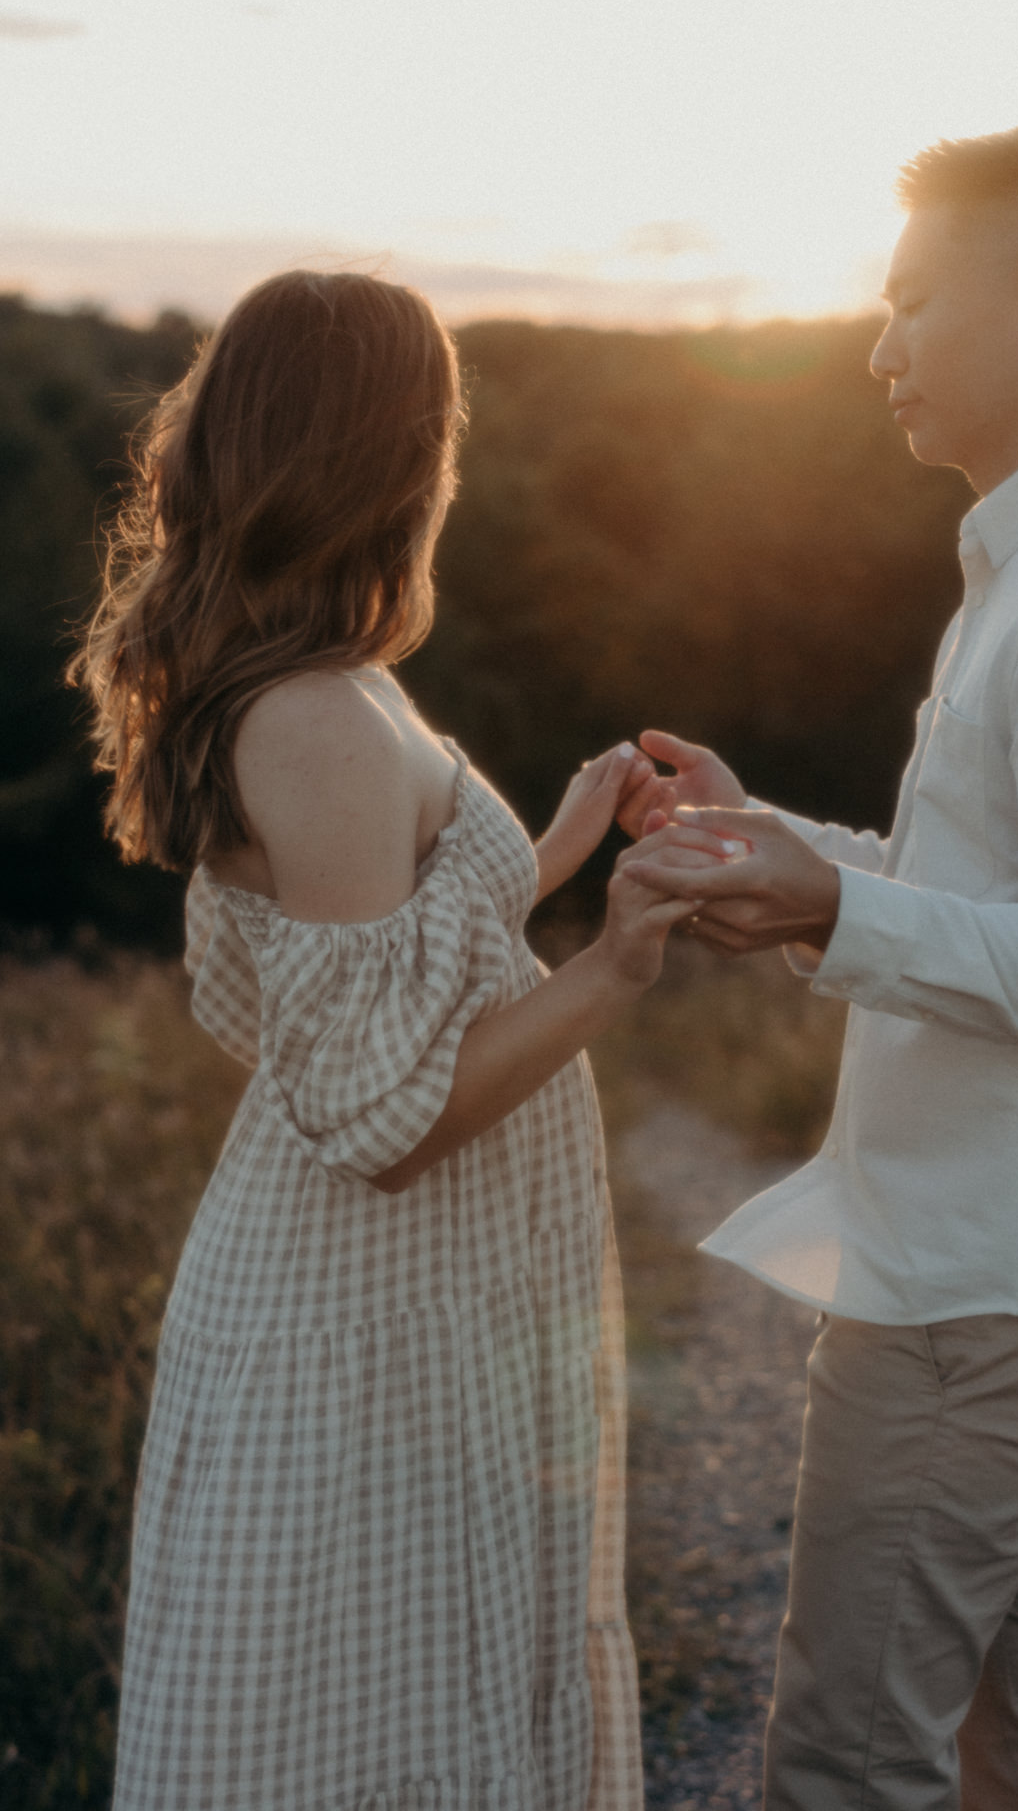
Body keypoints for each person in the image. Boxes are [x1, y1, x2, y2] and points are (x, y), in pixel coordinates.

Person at [620, 126, 1018, 1810]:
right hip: (986, 1260)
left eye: (910, 300)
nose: (876, 343)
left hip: (988, 1286)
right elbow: (992, 897)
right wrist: (785, 847)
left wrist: (834, 917)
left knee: (848, 1758)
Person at [73, 269, 708, 1811]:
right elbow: (378, 1113)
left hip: (409, 1308)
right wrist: (613, 968)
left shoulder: (330, 691)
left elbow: (377, 971)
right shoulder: (313, 719)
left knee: (418, 1705)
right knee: (359, 1737)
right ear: (390, 457)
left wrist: (548, 855)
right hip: (362, 1319)